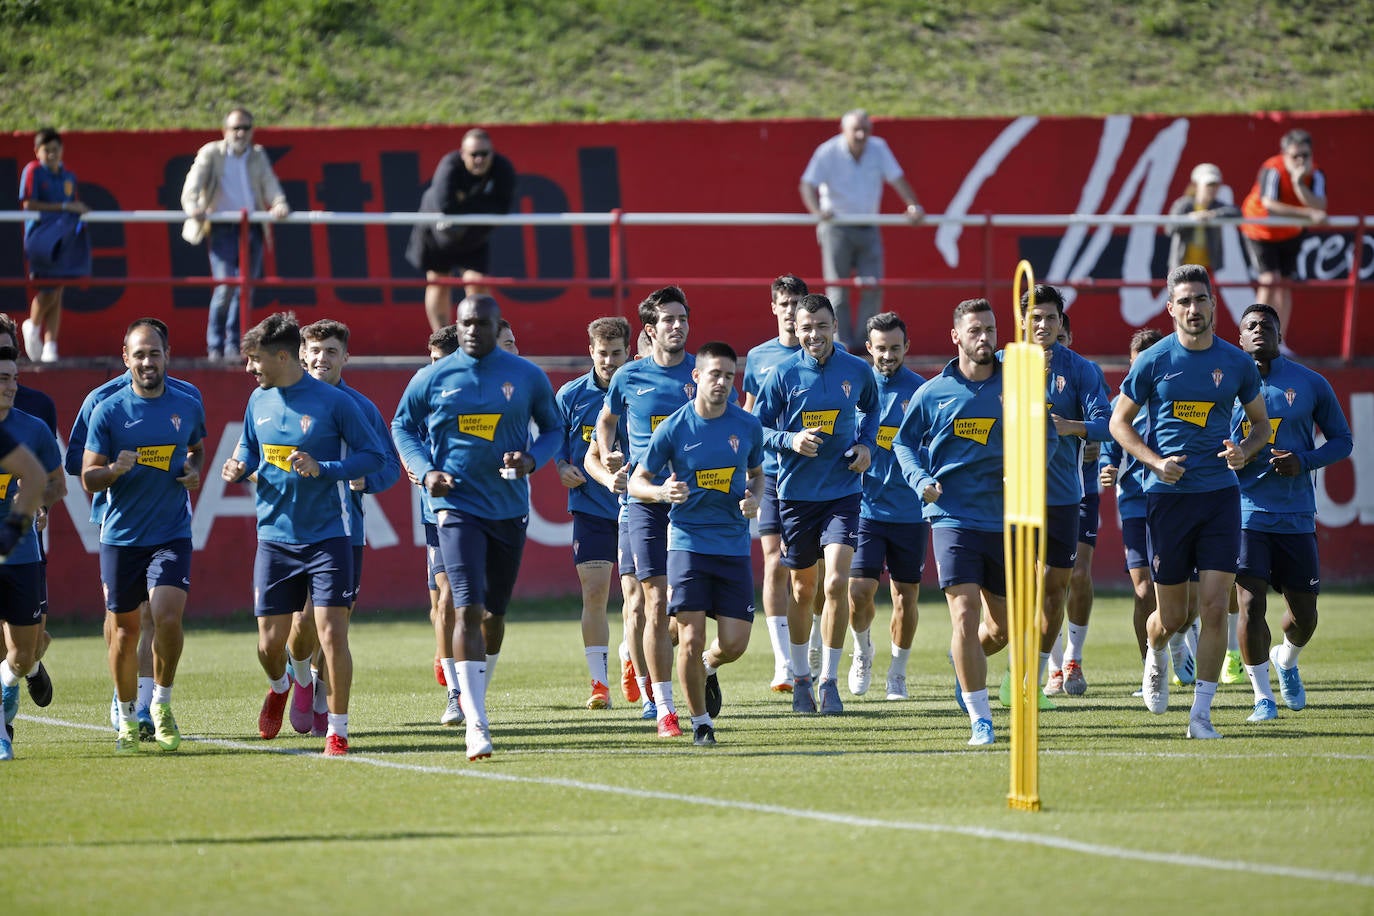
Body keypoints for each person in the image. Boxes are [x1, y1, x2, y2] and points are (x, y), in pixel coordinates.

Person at [392, 294, 561, 760]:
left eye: (480, 324)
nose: (471, 331)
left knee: (494, 615)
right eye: (464, 323)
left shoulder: (525, 376)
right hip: (455, 507)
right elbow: (402, 426)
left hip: (508, 506)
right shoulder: (432, 377)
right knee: (465, 607)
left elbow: (553, 429)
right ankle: (476, 722)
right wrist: (426, 471)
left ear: (495, 326)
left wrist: (532, 459)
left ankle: (475, 694)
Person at [1109, 264, 1270, 738]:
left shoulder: (1236, 363)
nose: (1194, 309)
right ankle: (1157, 652)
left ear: (1213, 305)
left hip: (1220, 496)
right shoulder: (1154, 360)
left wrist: (1246, 449)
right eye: (1185, 301)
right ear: (1170, 308)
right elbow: (1119, 423)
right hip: (1166, 499)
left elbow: (1260, 424)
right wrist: (1154, 462)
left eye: (1201, 299)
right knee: (1174, 617)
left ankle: (1200, 715)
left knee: (1216, 605)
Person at [220, 312, 386, 757]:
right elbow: (249, 451)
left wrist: (325, 468)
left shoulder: (336, 403)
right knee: (270, 644)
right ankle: (280, 687)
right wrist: (238, 467)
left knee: (332, 634)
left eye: (255, 360)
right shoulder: (257, 401)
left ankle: (338, 729)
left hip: (329, 536)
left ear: (281, 356)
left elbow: (373, 456)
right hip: (275, 537)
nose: (250, 369)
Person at [894, 298, 1048, 746]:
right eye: (975, 331)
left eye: (990, 330)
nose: (985, 338)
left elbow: (1045, 436)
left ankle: (963, 658)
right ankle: (981, 719)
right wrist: (918, 478)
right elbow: (904, 444)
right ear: (956, 337)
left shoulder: (1017, 383)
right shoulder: (932, 391)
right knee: (964, 613)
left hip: (1005, 520)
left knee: (1002, 628)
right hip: (952, 517)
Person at [629, 341, 764, 747]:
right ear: (697, 377)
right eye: (714, 374)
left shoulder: (747, 426)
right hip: (687, 542)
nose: (721, 382)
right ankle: (701, 722)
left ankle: (707, 667)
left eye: (728, 375)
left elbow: (757, 475)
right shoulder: (673, 427)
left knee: (736, 643)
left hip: (734, 545)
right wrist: (662, 494)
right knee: (690, 636)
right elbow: (638, 481)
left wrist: (755, 497)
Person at [81, 321, 206, 754]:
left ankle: (162, 704)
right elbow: (88, 476)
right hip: (121, 536)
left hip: (171, 532)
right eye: (139, 355)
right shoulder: (107, 410)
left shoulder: (187, 403)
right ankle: (126, 714)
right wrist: (113, 470)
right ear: (125, 358)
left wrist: (193, 471)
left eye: (154, 353)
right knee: (124, 632)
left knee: (168, 616)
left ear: (167, 354)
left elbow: (196, 449)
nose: (147, 362)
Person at [753, 293, 878, 716]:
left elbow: (871, 412)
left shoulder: (857, 369)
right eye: (806, 327)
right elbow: (758, 429)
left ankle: (829, 681)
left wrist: (866, 446)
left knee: (835, 583)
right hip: (796, 496)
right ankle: (801, 678)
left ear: (834, 327)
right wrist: (791, 440)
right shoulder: (782, 374)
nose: (813, 335)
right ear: (796, 328)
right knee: (803, 589)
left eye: (821, 326)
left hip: (843, 492)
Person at [594, 287, 711, 738]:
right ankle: (662, 706)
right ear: (650, 329)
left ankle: (700, 667)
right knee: (652, 603)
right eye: (667, 319)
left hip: (694, 502)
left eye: (682, 317)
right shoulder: (629, 377)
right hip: (644, 503)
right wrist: (608, 455)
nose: (677, 325)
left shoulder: (703, 373)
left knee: (686, 615)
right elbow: (606, 420)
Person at [1231, 304, 1351, 722]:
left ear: (1279, 335)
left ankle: (1287, 660)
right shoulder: (1223, 384)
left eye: (1267, 324)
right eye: (1251, 326)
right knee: (1250, 605)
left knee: (1305, 614)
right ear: (1240, 338)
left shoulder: (1310, 383)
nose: (1259, 330)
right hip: (1244, 513)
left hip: (1296, 514)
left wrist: (1304, 460)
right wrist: (1232, 456)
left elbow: (1342, 441)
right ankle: (1262, 697)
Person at [281, 320, 401, 737]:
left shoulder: (361, 408)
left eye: (331, 351)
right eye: (314, 351)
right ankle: (297, 677)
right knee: (301, 624)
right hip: (295, 531)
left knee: (334, 626)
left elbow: (388, 465)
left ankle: (318, 692)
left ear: (345, 357)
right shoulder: (282, 402)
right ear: (301, 355)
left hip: (345, 532)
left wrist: (366, 481)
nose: (321, 359)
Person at [1007, 285, 1110, 702]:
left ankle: (1046, 666)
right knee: (1016, 589)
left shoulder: (1081, 369)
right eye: (1035, 318)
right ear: (1022, 322)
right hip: (1014, 496)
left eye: (1051, 318)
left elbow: (1106, 423)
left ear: (1060, 322)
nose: (1043, 326)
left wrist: (1073, 426)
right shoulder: (1002, 365)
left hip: (1066, 495)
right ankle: (1010, 665)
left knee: (1056, 586)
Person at [847, 312, 926, 701]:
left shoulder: (922, 391)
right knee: (859, 590)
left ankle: (897, 672)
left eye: (895, 348)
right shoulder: (855, 387)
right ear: (869, 349)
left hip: (910, 512)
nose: (888, 355)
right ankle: (861, 651)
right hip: (864, 509)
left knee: (904, 597)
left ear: (906, 347)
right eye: (881, 348)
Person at [554, 317, 632, 709]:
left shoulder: (642, 388)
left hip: (640, 505)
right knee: (596, 592)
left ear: (628, 352)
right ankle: (599, 683)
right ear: (591, 352)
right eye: (602, 353)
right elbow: (551, 437)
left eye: (616, 353)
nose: (609, 360)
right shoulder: (570, 396)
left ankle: (631, 654)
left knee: (641, 599)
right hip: (591, 505)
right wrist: (560, 466)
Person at [799, 110, 924, 344]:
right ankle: (840, 345)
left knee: (873, 286)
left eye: (865, 129)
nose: (860, 135)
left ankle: (867, 344)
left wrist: (913, 205)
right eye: (855, 130)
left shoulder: (879, 148)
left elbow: (897, 179)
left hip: (869, 226)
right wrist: (818, 213)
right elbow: (807, 185)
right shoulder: (828, 151)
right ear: (843, 131)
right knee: (838, 289)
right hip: (836, 227)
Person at [741, 274, 810, 692]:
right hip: (770, 473)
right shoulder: (758, 357)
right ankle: (783, 663)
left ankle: (811, 647)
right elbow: (749, 415)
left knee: (810, 570)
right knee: (773, 562)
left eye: (796, 302)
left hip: (813, 475)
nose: (789, 309)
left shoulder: (823, 354)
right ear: (774, 307)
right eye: (783, 303)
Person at [180, 107, 292, 361]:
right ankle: (215, 348)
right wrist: (193, 207)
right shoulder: (212, 153)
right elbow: (191, 186)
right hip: (222, 228)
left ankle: (235, 347)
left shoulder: (257, 155)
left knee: (245, 290)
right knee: (226, 287)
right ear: (225, 130)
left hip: (251, 228)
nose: (240, 133)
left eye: (245, 128)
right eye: (235, 128)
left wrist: (279, 203)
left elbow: (270, 186)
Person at [0, 345, 66, 760]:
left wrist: (37, 502)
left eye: (12, 379)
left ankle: (11, 682)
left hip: (21, 554)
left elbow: (55, 485)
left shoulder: (33, 428)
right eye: (1, 379)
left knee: (23, 654)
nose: (9, 386)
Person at [407, 129, 518, 332]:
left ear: (492, 153)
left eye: (484, 154)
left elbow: (502, 208)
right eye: (473, 154)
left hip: (473, 237)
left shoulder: (502, 169)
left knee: (479, 285)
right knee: (438, 282)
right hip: (436, 232)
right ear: (462, 154)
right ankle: (442, 340)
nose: (479, 160)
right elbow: (446, 206)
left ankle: (484, 339)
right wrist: (482, 207)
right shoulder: (449, 165)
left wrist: (464, 205)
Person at [417, 325, 464, 725]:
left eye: (441, 362)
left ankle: (456, 664)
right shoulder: (421, 389)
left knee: (474, 607)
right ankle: (455, 691)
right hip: (437, 510)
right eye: (430, 361)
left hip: (481, 510)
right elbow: (402, 433)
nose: (434, 369)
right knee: (443, 600)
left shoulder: (480, 390)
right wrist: (419, 468)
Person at [1240, 129, 1328, 334]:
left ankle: (1279, 339)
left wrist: (1299, 184)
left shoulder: (1315, 173)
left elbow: (1320, 205)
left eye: (1305, 155)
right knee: (1269, 281)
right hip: (1261, 230)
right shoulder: (1273, 169)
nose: (1300, 160)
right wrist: (1307, 213)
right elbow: (1269, 204)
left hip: (1290, 232)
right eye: (1294, 156)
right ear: (1284, 154)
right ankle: (1254, 335)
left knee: (1285, 285)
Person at [19, 127, 91, 364]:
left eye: (55, 149)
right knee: (49, 288)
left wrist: (76, 208)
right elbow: (29, 204)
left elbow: (72, 205)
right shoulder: (33, 171)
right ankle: (33, 323)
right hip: (40, 238)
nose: (51, 154)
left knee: (59, 289)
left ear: (62, 150)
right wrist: (64, 207)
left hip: (63, 237)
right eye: (46, 150)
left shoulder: (69, 176)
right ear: (37, 152)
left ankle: (51, 345)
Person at [1166, 163, 1240, 273]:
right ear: (1196, 185)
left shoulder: (1217, 206)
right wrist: (1190, 219)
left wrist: (1213, 215)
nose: (1213, 189)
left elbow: (1236, 212)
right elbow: (1170, 228)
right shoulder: (1183, 204)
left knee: (1205, 290)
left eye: (1216, 185)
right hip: (1181, 265)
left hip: (1206, 268)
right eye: (1209, 184)